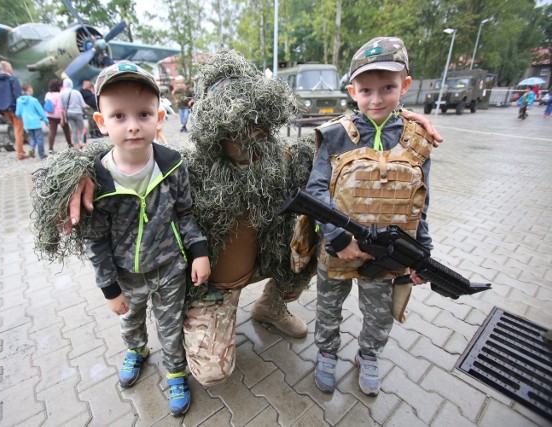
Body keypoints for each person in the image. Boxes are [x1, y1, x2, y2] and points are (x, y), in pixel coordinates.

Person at [36, 52, 443, 390]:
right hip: (212, 282)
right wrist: (80, 169)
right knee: (212, 372)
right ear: (215, 124)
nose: (251, 134)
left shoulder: (281, 160)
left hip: (265, 263)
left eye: (258, 124)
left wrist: (400, 121)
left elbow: (344, 140)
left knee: (308, 250)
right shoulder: (187, 168)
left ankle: (270, 307)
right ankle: (190, 322)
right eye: (239, 125)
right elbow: (133, 159)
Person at [305, 37, 435, 397]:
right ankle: (328, 351)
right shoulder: (335, 136)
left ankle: (369, 354)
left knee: (378, 314)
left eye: (388, 88)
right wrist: (339, 238)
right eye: (366, 90)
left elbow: (421, 202)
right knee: (329, 306)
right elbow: (316, 193)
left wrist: (422, 254)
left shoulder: (418, 141)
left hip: (388, 255)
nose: (376, 99)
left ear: (405, 85)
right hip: (338, 249)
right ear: (352, 91)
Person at [86, 61, 211, 416]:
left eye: (143, 114)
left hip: (170, 267)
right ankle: (137, 350)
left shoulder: (173, 165)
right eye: (119, 116)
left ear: (159, 117)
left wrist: (198, 250)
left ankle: (175, 371)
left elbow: (185, 213)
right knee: (130, 318)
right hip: (126, 273)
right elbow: (95, 240)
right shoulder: (98, 179)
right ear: (101, 122)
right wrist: (109, 288)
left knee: (170, 324)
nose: (133, 126)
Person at [0, 61, 27, 159]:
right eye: (10, 67)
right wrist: (21, 109)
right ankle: (20, 153)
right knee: (18, 129)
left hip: (3, 109)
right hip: (14, 108)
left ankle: (22, 147)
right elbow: (18, 96)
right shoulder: (13, 79)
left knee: (16, 128)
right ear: (7, 68)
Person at [15, 83, 49, 159]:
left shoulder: (19, 101)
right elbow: (41, 111)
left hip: (27, 123)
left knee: (32, 138)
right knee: (39, 138)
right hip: (35, 122)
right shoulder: (34, 100)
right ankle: (41, 154)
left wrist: (23, 116)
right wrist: (46, 120)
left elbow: (18, 113)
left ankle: (31, 148)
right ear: (29, 90)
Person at [44, 79, 73, 153]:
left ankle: (50, 148)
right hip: (59, 116)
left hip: (50, 115)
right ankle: (70, 145)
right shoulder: (58, 95)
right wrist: (62, 119)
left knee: (52, 132)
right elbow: (60, 108)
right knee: (67, 130)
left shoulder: (48, 94)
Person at [60, 78, 88, 149]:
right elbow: (83, 105)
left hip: (68, 114)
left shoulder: (62, 93)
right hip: (78, 113)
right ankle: (84, 144)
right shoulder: (76, 92)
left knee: (73, 129)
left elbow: (61, 107)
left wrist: (62, 119)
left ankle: (76, 145)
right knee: (82, 129)